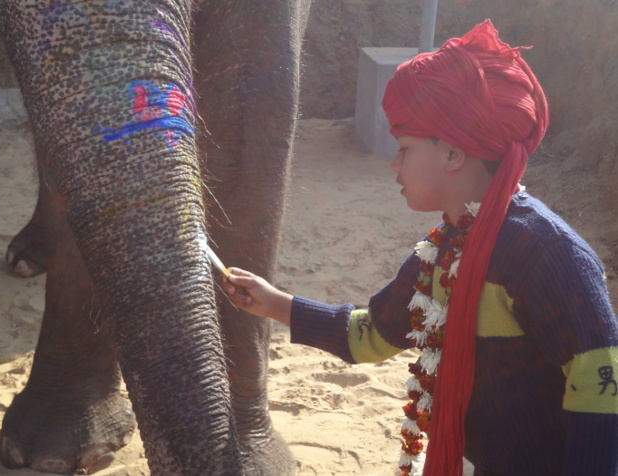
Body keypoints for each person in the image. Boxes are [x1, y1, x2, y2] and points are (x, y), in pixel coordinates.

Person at [221, 20, 618, 476]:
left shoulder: (545, 253)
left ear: (452, 154)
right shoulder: (445, 247)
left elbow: (599, 381)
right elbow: (372, 335)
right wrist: (274, 304)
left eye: (405, 148)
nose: (395, 164)